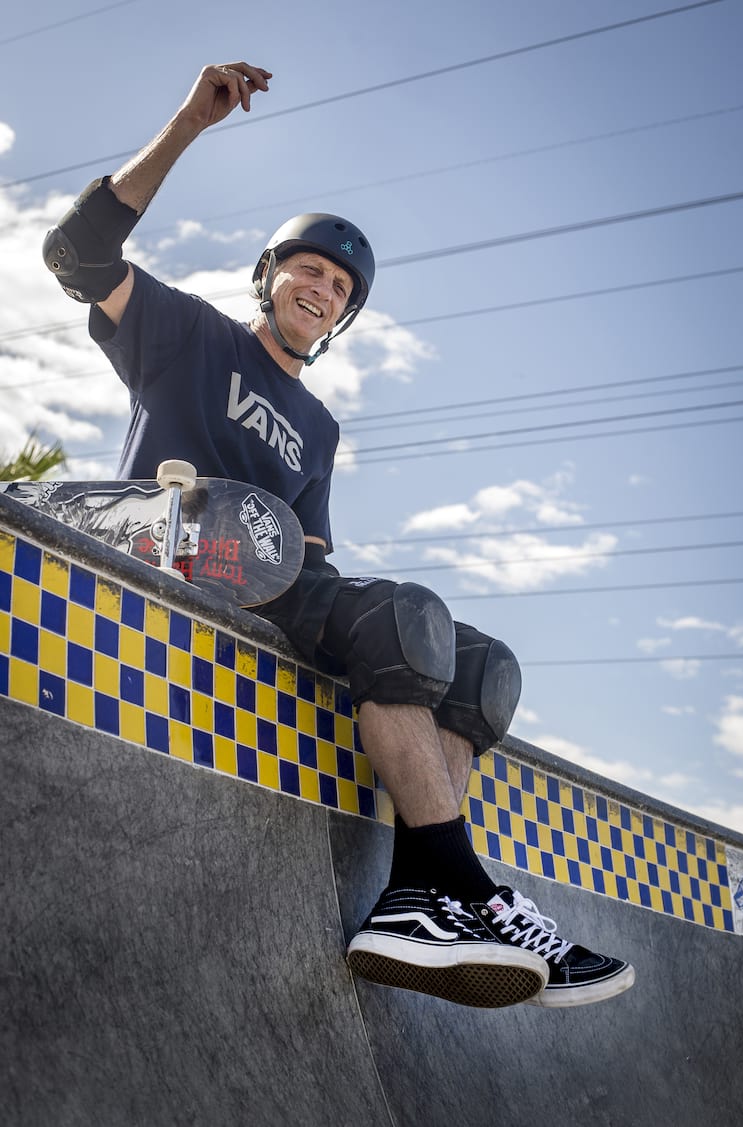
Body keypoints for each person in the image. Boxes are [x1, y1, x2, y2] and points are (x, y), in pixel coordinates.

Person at [44, 61, 635, 1011]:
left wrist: (402, 638)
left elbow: (315, 568)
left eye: (340, 287)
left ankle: (426, 892)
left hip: (275, 575)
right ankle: (459, 887)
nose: (321, 288)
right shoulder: (188, 334)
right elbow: (77, 253)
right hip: (173, 544)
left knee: (485, 670)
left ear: (344, 318)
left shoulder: (317, 427)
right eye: (307, 269)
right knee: (404, 613)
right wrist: (191, 124)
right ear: (269, 278)